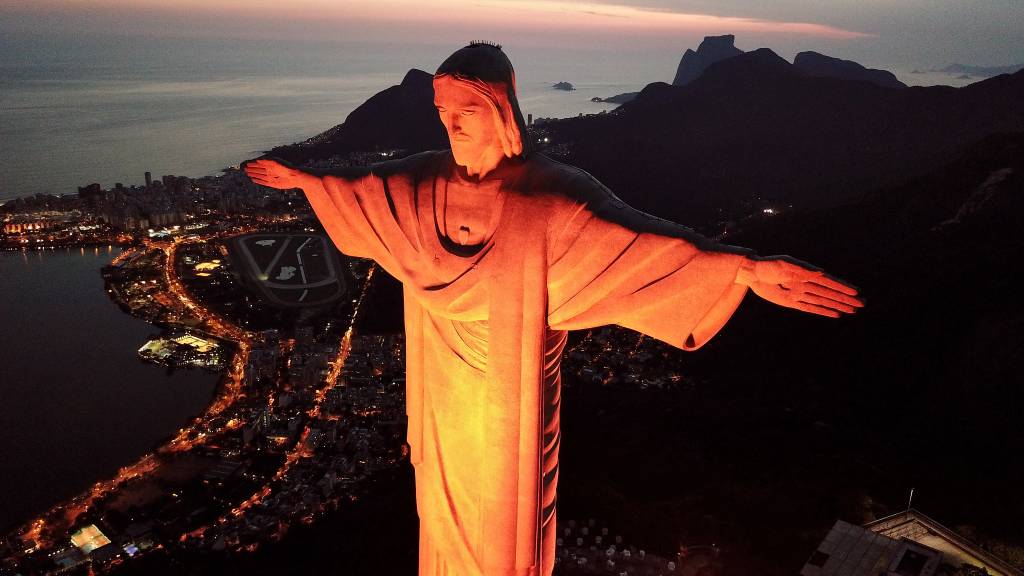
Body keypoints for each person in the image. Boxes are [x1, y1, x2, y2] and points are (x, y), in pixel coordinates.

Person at [245, 41, 862, 576]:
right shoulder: (423, 184)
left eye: (467, 111)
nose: (453, 125)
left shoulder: (551, 200)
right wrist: (304, 180)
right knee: (438, 516)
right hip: (444, 400)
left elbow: (644, 242)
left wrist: (743, 267)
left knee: (506, 533)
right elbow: (363, 189)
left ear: (500, 112)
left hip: (509, 404)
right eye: (443, 113)